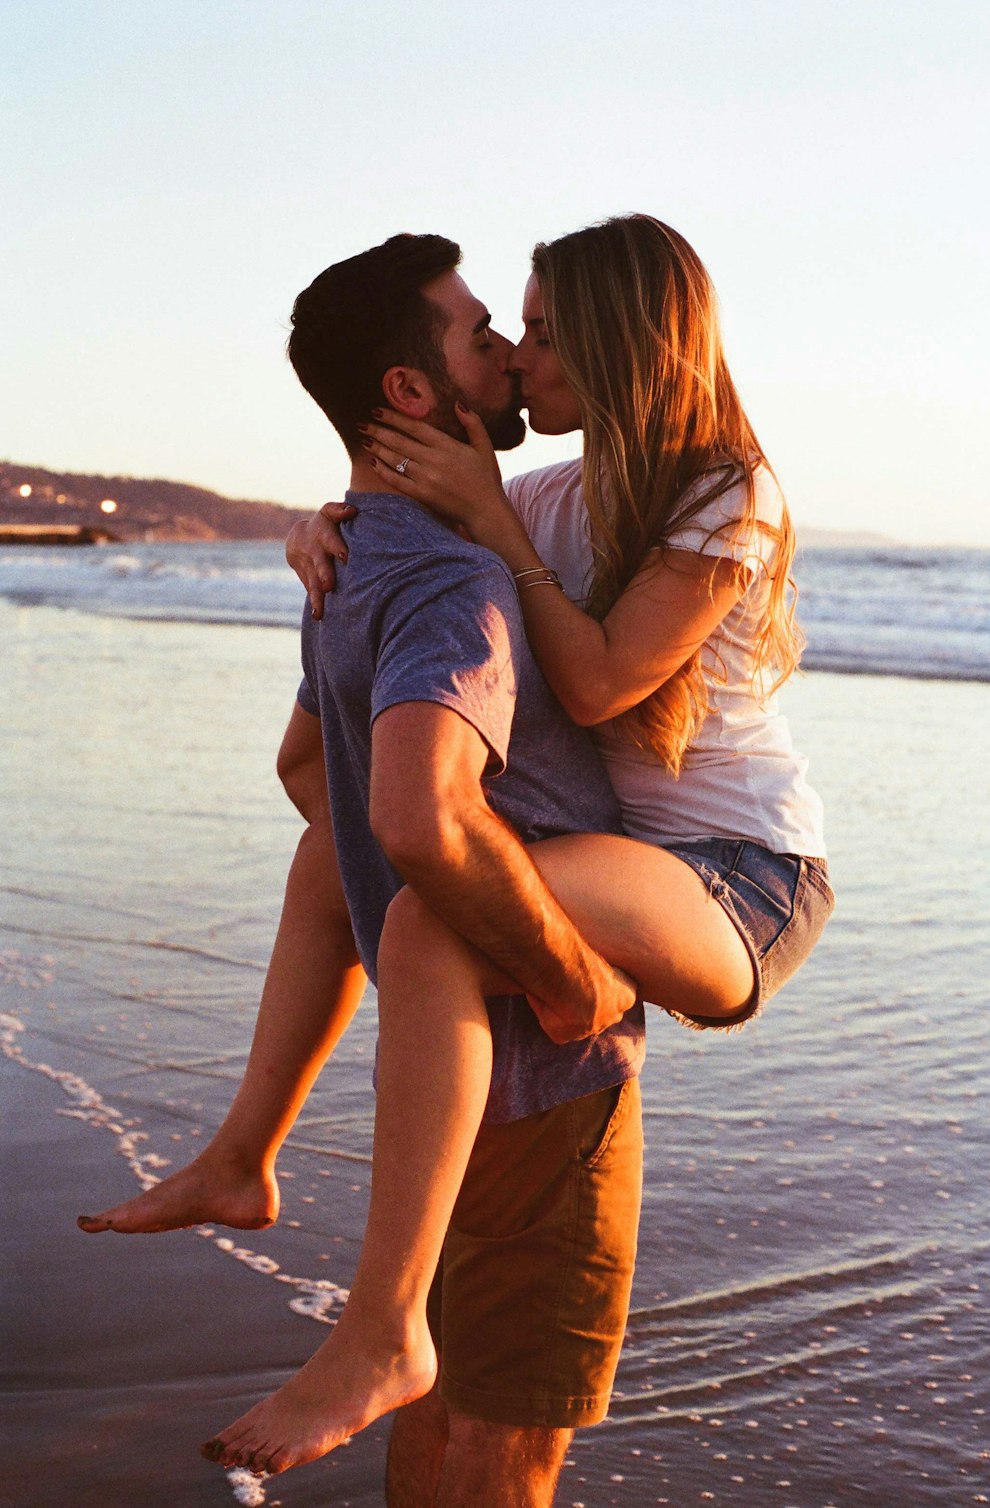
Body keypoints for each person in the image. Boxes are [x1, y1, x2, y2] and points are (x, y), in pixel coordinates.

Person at [79, 232, 646, 1508]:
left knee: (438, 1412)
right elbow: (414, 812)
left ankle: (251, 1162)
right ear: (409, 390)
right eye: (480, 330)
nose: (507, 352)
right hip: (543, 1062)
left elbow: (305, 771)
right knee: (509, 1447)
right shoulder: (458, 573)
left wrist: (398, 913)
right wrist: (570, 980)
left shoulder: (350, 561)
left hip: (435, 1078)